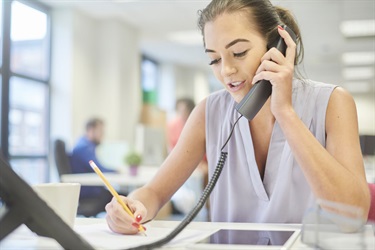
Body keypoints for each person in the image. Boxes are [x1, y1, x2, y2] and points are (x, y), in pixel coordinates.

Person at [105, 0, 370, 234]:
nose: (227, 70)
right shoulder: (208, 112)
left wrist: (286, 114)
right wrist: (133, 206)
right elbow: (154, 192)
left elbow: (351, 216)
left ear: (275, 46)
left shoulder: (332, 103)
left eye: (239, 53)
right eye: (214, 60)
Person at [70, 118, 114, 216]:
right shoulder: (84, 148)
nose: (102, 135)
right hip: (89, 193)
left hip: (92, 191)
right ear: (90, 130)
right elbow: (99, 169)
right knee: (122, 198)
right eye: (100, 131)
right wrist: (115, 171)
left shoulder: (85, 145)